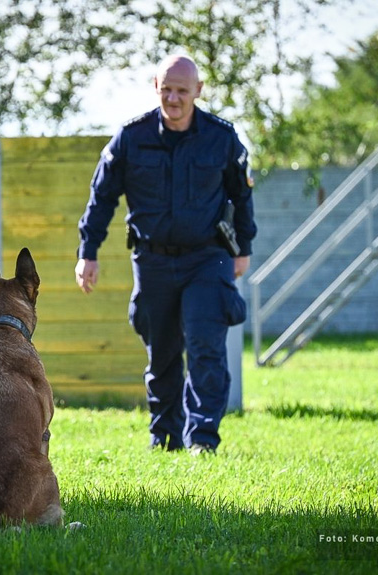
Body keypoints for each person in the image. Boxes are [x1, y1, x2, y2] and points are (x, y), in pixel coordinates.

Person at [74, 55, 257, 455]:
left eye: (182, 90)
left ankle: (202, 440)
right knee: (163, 354)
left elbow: (242, 197)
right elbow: (101, 198)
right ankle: (165, 437)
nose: (173, 98)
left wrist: (243, 249)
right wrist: (88, 252)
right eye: (166, 89)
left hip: (208, 258)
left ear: (198, 91)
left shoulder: (222, 138)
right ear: (155, 85)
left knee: (206, 346)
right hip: (152, 260)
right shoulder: (131, 138)